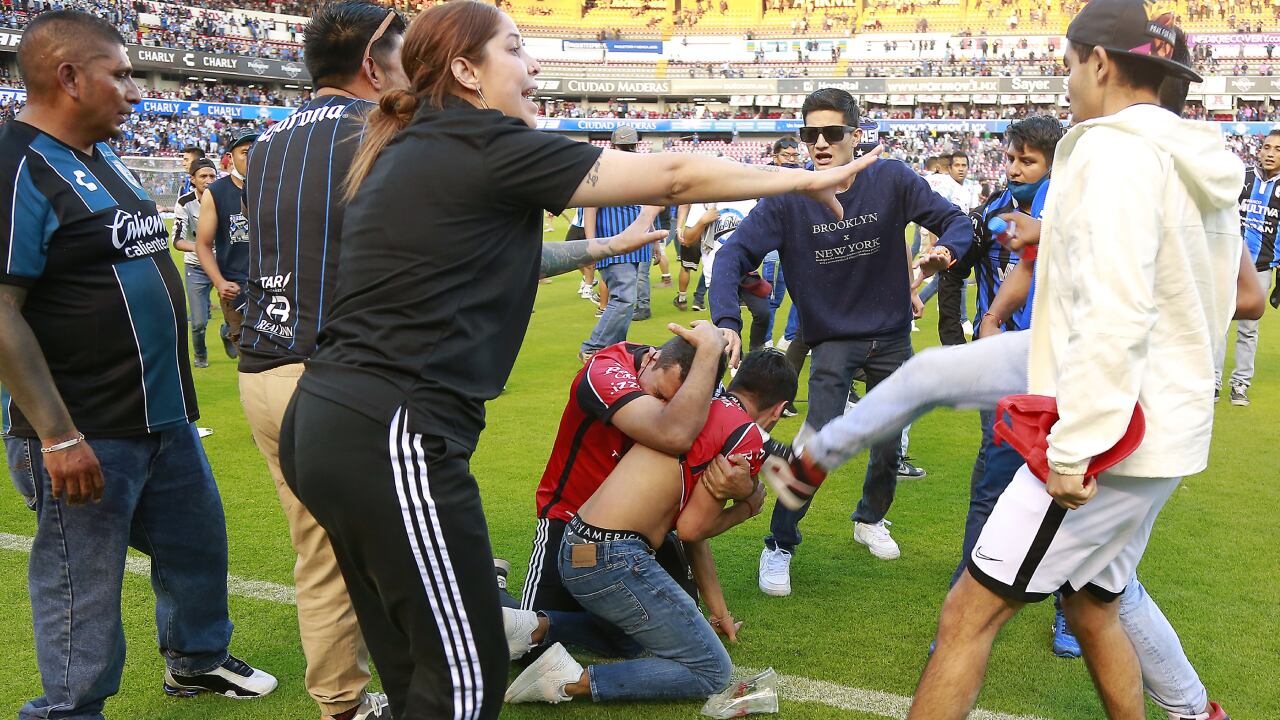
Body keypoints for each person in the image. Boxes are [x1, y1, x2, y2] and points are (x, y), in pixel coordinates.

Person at [277, 3, 881, 718]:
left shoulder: (414, 145)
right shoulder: (482, 139)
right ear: (466, 71)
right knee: (464, 681)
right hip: (393, 430)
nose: (532, 66)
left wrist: (605, 247)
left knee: (416, 665)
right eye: (514, 48)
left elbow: (500, 258)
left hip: (326, 425)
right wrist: (802, 181)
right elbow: (673, 176)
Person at [909, 3, 1239, 716]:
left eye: (1068, 65)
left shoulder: (1112, 152)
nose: (1067, 83)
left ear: (1100, 62)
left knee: (966, 616)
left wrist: (1074, 448)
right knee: (1093, 606)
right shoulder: (1195, 160)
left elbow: (1114, 309)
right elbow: (1226, 296)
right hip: (1164, 428)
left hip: (1109, 439)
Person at [0, 12, 276, 720]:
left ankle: (197, 661)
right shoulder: (17, 166)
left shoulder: (102, 156)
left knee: (196, 544)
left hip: (162, 415)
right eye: (121, 75)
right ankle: (69, 710)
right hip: (86, 426)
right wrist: (57, 435)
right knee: (82, 582)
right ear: (69, 77)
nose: (135, 91)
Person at [711, 88, 968, 594]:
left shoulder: (891, 178)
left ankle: (870, 518)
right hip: (832, 340)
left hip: (892, 337)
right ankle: (780, 545)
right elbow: (732, 254)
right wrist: (726, 320)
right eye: (811, 134)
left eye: (831, 132)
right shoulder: (788, 196)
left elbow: (955, 221)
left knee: (890, 444)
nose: (820, 143)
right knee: (817, 447)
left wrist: (946, 252)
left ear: (855, 134)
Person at [238, 5, 409, 720]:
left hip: (263, 371)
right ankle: (441, 686)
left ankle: (341, 705)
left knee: (320, 553)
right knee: (411, 543)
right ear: (372, 64)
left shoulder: (265, 141)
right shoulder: (382, 129)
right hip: (338, 378)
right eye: (404, 58)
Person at [503, 350, 796, 705]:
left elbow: (692, 535)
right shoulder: (744, 436)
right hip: (613, 556)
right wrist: (747, 508)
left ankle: (532, 627)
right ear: (778, 410)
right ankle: (569, 681)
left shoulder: (691, 409)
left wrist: (719, 612)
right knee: (712, 670)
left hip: (578, 544)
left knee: (630, 637)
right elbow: (692, 529)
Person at [522, 328, 753, 616]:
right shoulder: (604, 370)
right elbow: (673, 433)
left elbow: (695, 503)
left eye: (677, 404)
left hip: (641, 531)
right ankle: (494, 584)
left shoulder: (700, 400)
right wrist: (710, 346)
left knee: (678, 621)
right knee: (533, 629)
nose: (666, 408)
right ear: (651, 359)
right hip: (568, 519)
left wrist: (746, 489)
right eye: (659, 395)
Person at [580, 126, 653, 359]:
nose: (628, 150)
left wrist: (654, 242)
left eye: (630, 146)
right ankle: (593, 347)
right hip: (612, 243)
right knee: (624, 297)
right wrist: (592, 245)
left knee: (626, 300)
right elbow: (590, 208)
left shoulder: (641, 170)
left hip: (637, 246)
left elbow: (645, 209)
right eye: (625, 147)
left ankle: (615, 350)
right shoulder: (602, 169)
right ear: (613, 146)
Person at [1219, 128, 1279, 406]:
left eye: (1278, 149)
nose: (1270, 153)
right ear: (1259, 149)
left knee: (1248, 329)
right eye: (1267, 147)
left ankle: (1240, 383)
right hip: (1227, 262)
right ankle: (1212, 382)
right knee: (1219, 324)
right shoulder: (1241, 179)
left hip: (1261, 269)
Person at [195, 128, 257, 359]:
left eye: (257, 150)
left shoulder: (275, 187)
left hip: (274, 288)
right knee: (249, 360)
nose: (252, 157)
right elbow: (203, 244)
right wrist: (220, 282)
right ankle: (229, 331)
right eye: (245, 152)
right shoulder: (216, 192)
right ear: (230, 157)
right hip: (236, 290)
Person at [173, 157, 219, 368]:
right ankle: (200, 355)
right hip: (196, 266)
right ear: (192, 179)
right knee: (199, 322)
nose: (208, 180)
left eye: (212, 176)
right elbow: (177, 240)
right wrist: (202, 248)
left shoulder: (224, 198)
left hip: (224, 265)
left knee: (239, 313)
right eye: (203, 176)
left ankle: (228, 334)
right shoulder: (184, 203)